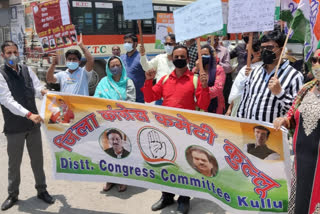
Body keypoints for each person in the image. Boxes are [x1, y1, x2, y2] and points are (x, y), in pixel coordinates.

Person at [142, 45, 210, 214]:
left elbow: (203, 104)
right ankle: (166, 196)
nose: (179, 59)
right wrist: (149, 80)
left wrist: (204, 86)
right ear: (172, 58)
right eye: (176, 56)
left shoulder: (194, 80)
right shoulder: (165, 79)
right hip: (165, 131)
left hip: (186, 132)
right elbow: (150, 97)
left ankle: (184, 198)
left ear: (188, 59)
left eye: (182, 56)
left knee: (185, 165)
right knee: (165, 165)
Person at [0, 41, 54, 211]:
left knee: (37, 160)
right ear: (2, 55)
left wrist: (46, 92)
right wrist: (29, 114)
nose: (12, 56)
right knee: (14, 163)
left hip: (33, 126)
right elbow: (7, 100)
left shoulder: (26, 70)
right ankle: (13, 194)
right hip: (15, 126)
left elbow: (37, 88)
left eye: (14, 52)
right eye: (8, 53)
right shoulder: (1, 74)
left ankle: (42, 190)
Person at [273, 47, 320, 214]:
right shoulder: (307, 88)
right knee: (301, 201)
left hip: (319, 163)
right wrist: (284, 120)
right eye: (314, 60)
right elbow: (292, 115)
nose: (316, 65)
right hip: (301, 160)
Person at [237, 28, 304, 123]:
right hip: (249, 131)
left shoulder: (294, 76)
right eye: (262, 48)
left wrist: (280, 93)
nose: (265, 51)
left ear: (281, 50)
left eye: (269, 48)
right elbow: (245, 100)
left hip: (273, 133)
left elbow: (297, 110)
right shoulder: (255, 72)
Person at [94, 56, 135, 193]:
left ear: (122, 66)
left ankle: (123, 180)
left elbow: (131, 102)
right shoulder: (104, 82)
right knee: (108, 151)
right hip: (107, 122)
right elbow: (96, 99)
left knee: (122, 151)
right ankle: (110, 179)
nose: (115, 68)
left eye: (117, 65)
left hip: (123, 122)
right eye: (112, 66)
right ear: (108, 68)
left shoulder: (128, 82)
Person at [226, 39, 263, 116]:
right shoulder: (245, 68)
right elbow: (236, 91)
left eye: (248, 51)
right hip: (236, 107)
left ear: (258, 53)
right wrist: (229, 109)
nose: (245, 54)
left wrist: (253, 75)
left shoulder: (263, 69)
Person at [140, 34, 176, 105]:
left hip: (174, 99)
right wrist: (143, 55)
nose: (167, 46)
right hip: (160, 99)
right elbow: (146, 67)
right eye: (166, 44)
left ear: (176, 44)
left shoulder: (180, 60)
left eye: (170, 44)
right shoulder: (159, 58)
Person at [192, 44, 226, 114]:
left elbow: (218, 88)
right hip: (199, 106)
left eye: (206, 54)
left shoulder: (218, 69)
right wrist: (197, 70)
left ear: (211, 56)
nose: (203, 56)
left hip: (215, 106)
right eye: (201, 55)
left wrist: (204, 93)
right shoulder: (195, 70)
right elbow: (192, 87)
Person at [120, 33, 145, 103]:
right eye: (125, 42)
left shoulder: (142, 58)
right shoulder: (121, 58)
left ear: (135, 44)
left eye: (129, 42)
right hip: (124, 96)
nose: (126, 44)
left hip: (138, 98)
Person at [211, 36, 232, 111]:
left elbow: (228, 67)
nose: (212, 41)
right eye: (209, 39)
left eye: (213, 39)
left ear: (217, 39)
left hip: (221, 81)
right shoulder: (204, 50)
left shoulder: (224, 50)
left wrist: (217, 62)